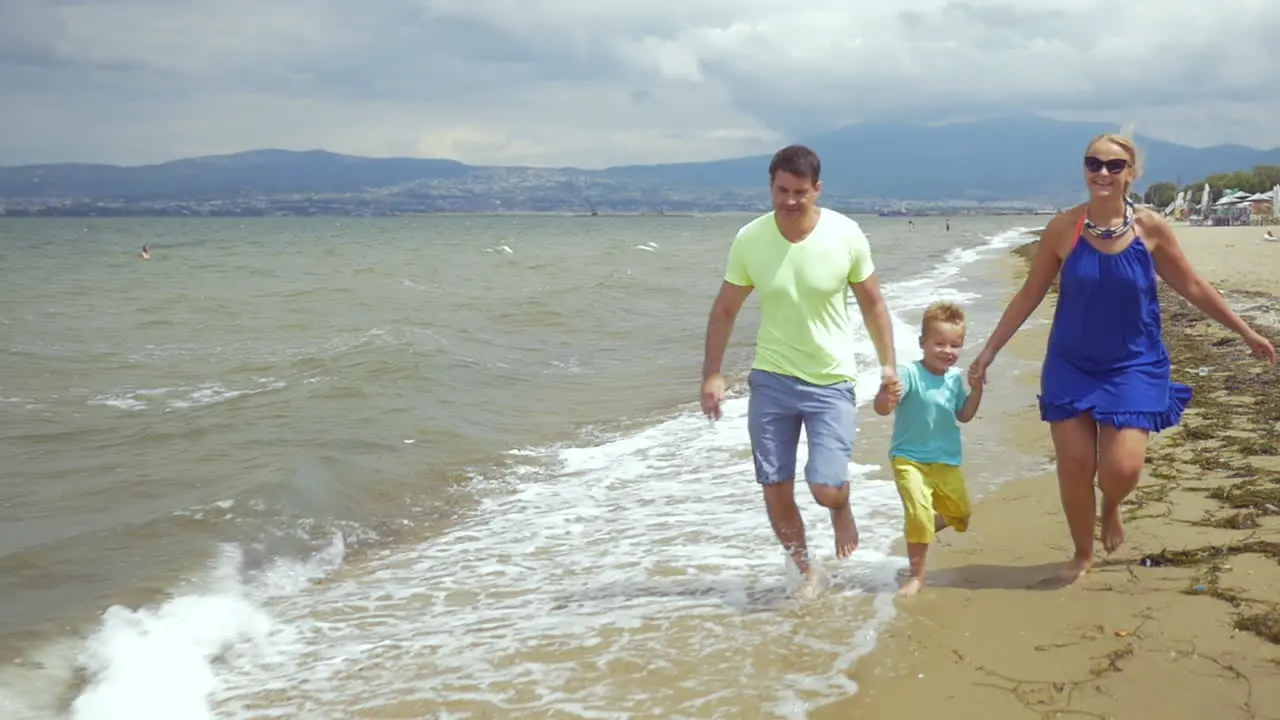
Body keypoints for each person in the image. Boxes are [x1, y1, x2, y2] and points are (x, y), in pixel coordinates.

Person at [968, 132, 1277, 585]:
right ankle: (1081, 553)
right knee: (1074, 465)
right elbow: (1030, 294)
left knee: (1122, 468)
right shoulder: (1063, 229)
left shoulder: (1150, 228)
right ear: (1085, 170)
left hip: (1135, 362)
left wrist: (1245, 331)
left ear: (1131, 174)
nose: (1103, 173)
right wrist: (989, 350)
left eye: (1114, 166)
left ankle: (1111, 504)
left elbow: (1192, 286)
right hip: (1071, 363)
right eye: (1094, 164)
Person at [700, 144, 900, 586]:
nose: (789, 201)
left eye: (800, 192)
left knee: (825, 485)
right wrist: (712, 374)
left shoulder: (845, 235)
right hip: (771, 379)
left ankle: (840, 506)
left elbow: (874, 305)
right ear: (770, 186)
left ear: (817, 190)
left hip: (831, 381)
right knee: (774, 484)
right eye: (781, 190)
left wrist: (889, 367)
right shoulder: (750, 239)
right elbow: (724, 311)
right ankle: (805, 569)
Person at [874, 301, 983, 596]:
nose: (948, 350)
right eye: (940, 343)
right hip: (909, 459)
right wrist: (885, 394)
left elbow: (964, 414)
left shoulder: (954, 379)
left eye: (955, 345)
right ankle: (917, 576)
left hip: (945, 461)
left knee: (961, 514)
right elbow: (883, 409)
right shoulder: (909, 374)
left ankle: (920, 526)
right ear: (922, 343)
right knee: (919, 516)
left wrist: (977, 390)